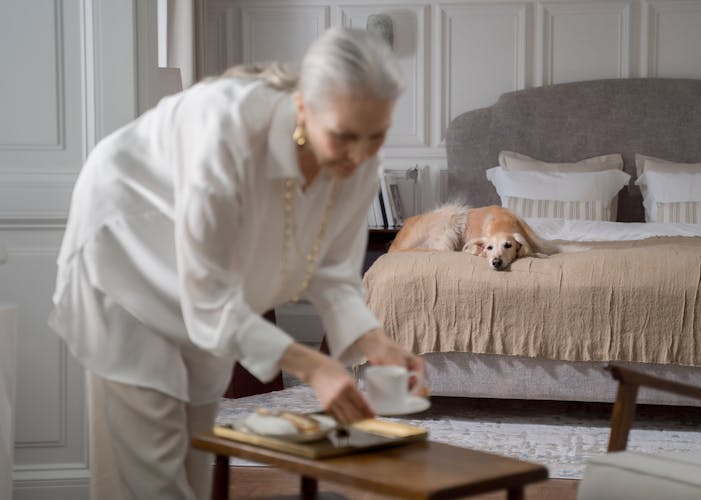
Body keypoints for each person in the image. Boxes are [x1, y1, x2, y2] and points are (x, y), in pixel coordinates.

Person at [49, 26, 424, 499]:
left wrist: (376, 342)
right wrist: (315, 367)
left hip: (210, 279)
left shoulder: (360, 157)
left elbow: (333, 275)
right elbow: (207, 305)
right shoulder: (225, 131)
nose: (360, 156)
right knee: (149, 465)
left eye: (377, 136)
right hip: (129, 250)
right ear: (303, 108)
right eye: (344, 136)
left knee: (197, 447)